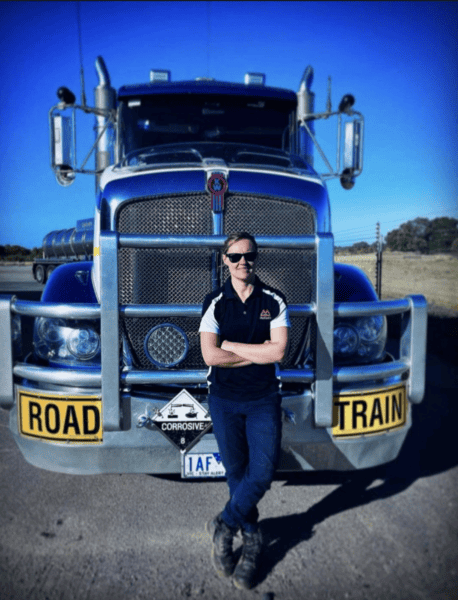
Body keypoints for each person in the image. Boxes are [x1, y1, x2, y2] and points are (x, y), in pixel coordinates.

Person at [199, 232, 290, 590]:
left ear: (256, 257)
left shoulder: (274, 300)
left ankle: (224, 524)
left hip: (264, 397)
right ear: (224, 260)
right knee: (237, 474)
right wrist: (256, 350)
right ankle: (251, 540)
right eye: (235, 256)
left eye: (248, 255)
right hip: (223, 400)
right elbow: (210, 356)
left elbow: (279, 352)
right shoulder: (214, 301)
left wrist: (232, 345)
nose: (242, 262)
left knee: (263, 472)